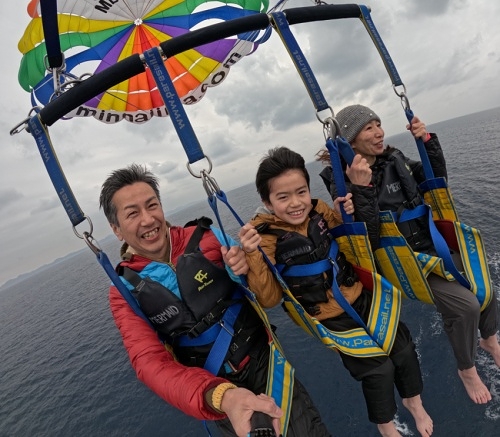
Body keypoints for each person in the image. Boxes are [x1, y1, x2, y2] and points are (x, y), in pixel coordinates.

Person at [99, 164, 331, 437]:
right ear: (116, 229)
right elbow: (149, 362)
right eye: (133, 213)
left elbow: (263, 292)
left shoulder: (208, 238)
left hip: (265, 362)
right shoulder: (124, 290)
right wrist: (220, 396)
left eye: (152, 206)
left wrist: (244, 268)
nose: (148, 220)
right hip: (216, 388)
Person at [239, 147, 433, 437]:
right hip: (327, 316)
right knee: (377, 369)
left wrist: (345, 216)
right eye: (283, 197)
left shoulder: (319, 210)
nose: (296, 203)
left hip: (357, 294)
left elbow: (349, 243)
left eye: (301, 192)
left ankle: (413, 402)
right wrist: (252, 255)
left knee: (403, 347)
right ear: (267, 202)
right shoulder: (263, 237)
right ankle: (385, 424)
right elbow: (269, 299)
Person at [317, 104, 500, 405]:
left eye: (378, 124)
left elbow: (435, 179)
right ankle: (467, 369)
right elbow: (368, 238)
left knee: (482, 280)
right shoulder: (344, 182)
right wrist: (361, 189)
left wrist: (427, 142)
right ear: (350, 142)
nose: (379, 132)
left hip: (431, 243)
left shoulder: (395, 159)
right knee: (466, 307)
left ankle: (489, 339)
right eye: (369, 128)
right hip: (402, 260)